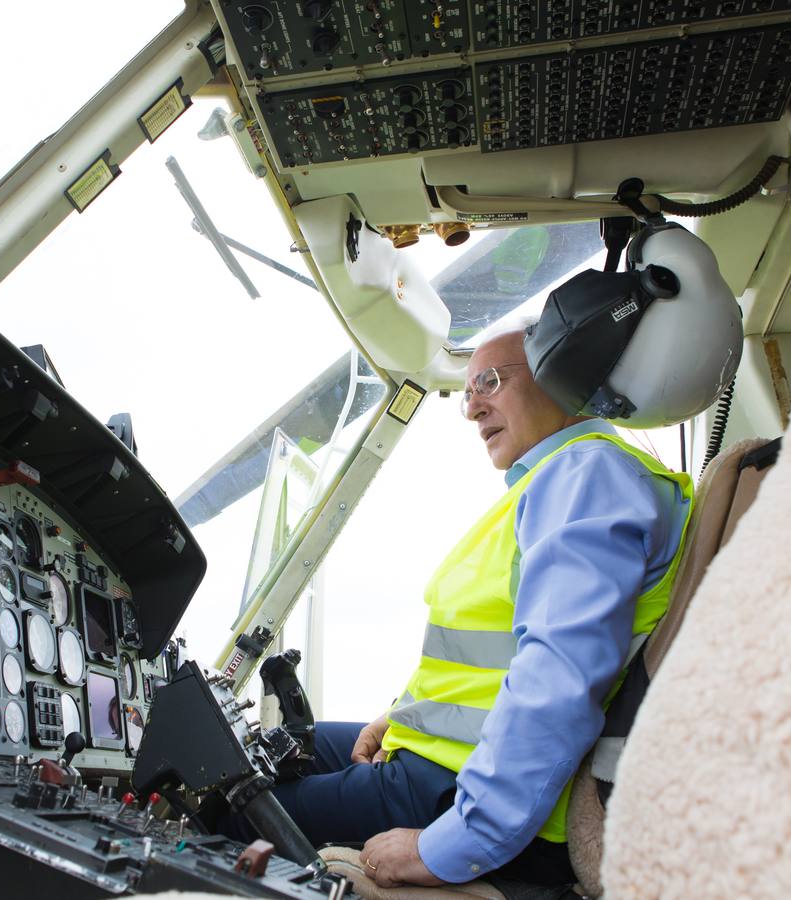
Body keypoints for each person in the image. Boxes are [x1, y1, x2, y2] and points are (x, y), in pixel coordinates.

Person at [224, 222, 738, 890]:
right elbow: (489, 654)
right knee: (288, 747)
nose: (472, 408)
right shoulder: (557, 482)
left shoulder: (586, 478)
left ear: (558, 374)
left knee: (225, 809)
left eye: (490, 381)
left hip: (478, 795)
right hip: (448, 754)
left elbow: (559, 677)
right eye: (467, 390)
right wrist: (403, 713)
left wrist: (455, 845)